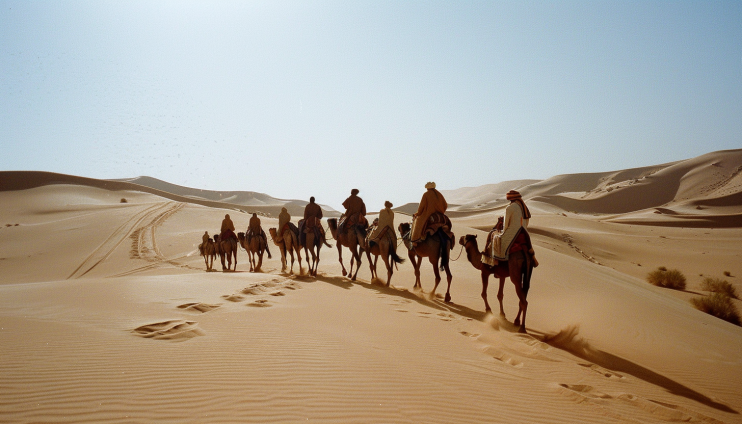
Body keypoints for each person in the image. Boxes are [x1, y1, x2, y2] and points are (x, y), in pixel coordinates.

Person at [482, 189, 532, 266]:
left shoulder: (510, 207)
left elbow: (506, 224)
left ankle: (495, 262)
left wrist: (503, 232)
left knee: (495, 238)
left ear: (509, 199)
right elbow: (527, 221)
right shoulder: (524, 207)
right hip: (524, 232)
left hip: (513, 233)